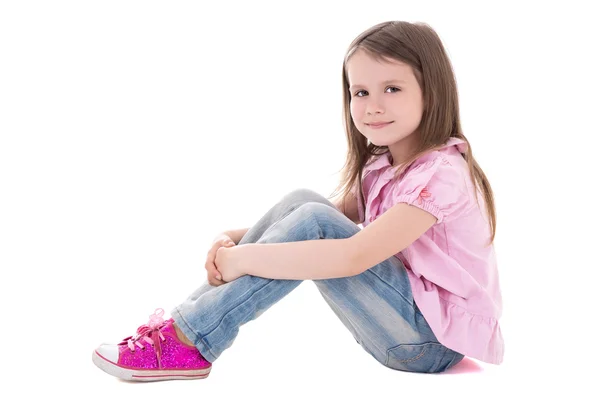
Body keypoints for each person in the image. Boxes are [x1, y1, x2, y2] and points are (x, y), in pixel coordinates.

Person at [92, 20, 504, 381]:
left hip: (428, 344)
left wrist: (243, 260)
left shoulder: (441, 175)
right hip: (401, 327)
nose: (372, 106)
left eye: (392, 89)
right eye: (359, 92)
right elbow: (318, 214)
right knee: (304, 201)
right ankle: (183, 327)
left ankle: (192, 338)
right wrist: (233, 240)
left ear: (431, 94)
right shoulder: (385, 166)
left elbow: (351, 257)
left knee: (314, 219)